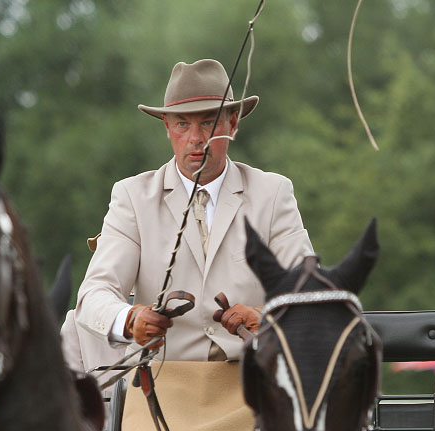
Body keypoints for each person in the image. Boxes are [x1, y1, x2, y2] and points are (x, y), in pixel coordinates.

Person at [75, 58, 313, 361]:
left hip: (253, 385)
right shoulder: (132, 197)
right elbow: (94, 295)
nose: (196, 138)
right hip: (160, 388)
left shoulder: (273, 193)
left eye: (209, 122)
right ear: (167, 127)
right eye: (183, 124)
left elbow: (309, 295)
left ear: (233, 122)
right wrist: (130, 319)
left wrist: (264, 316)